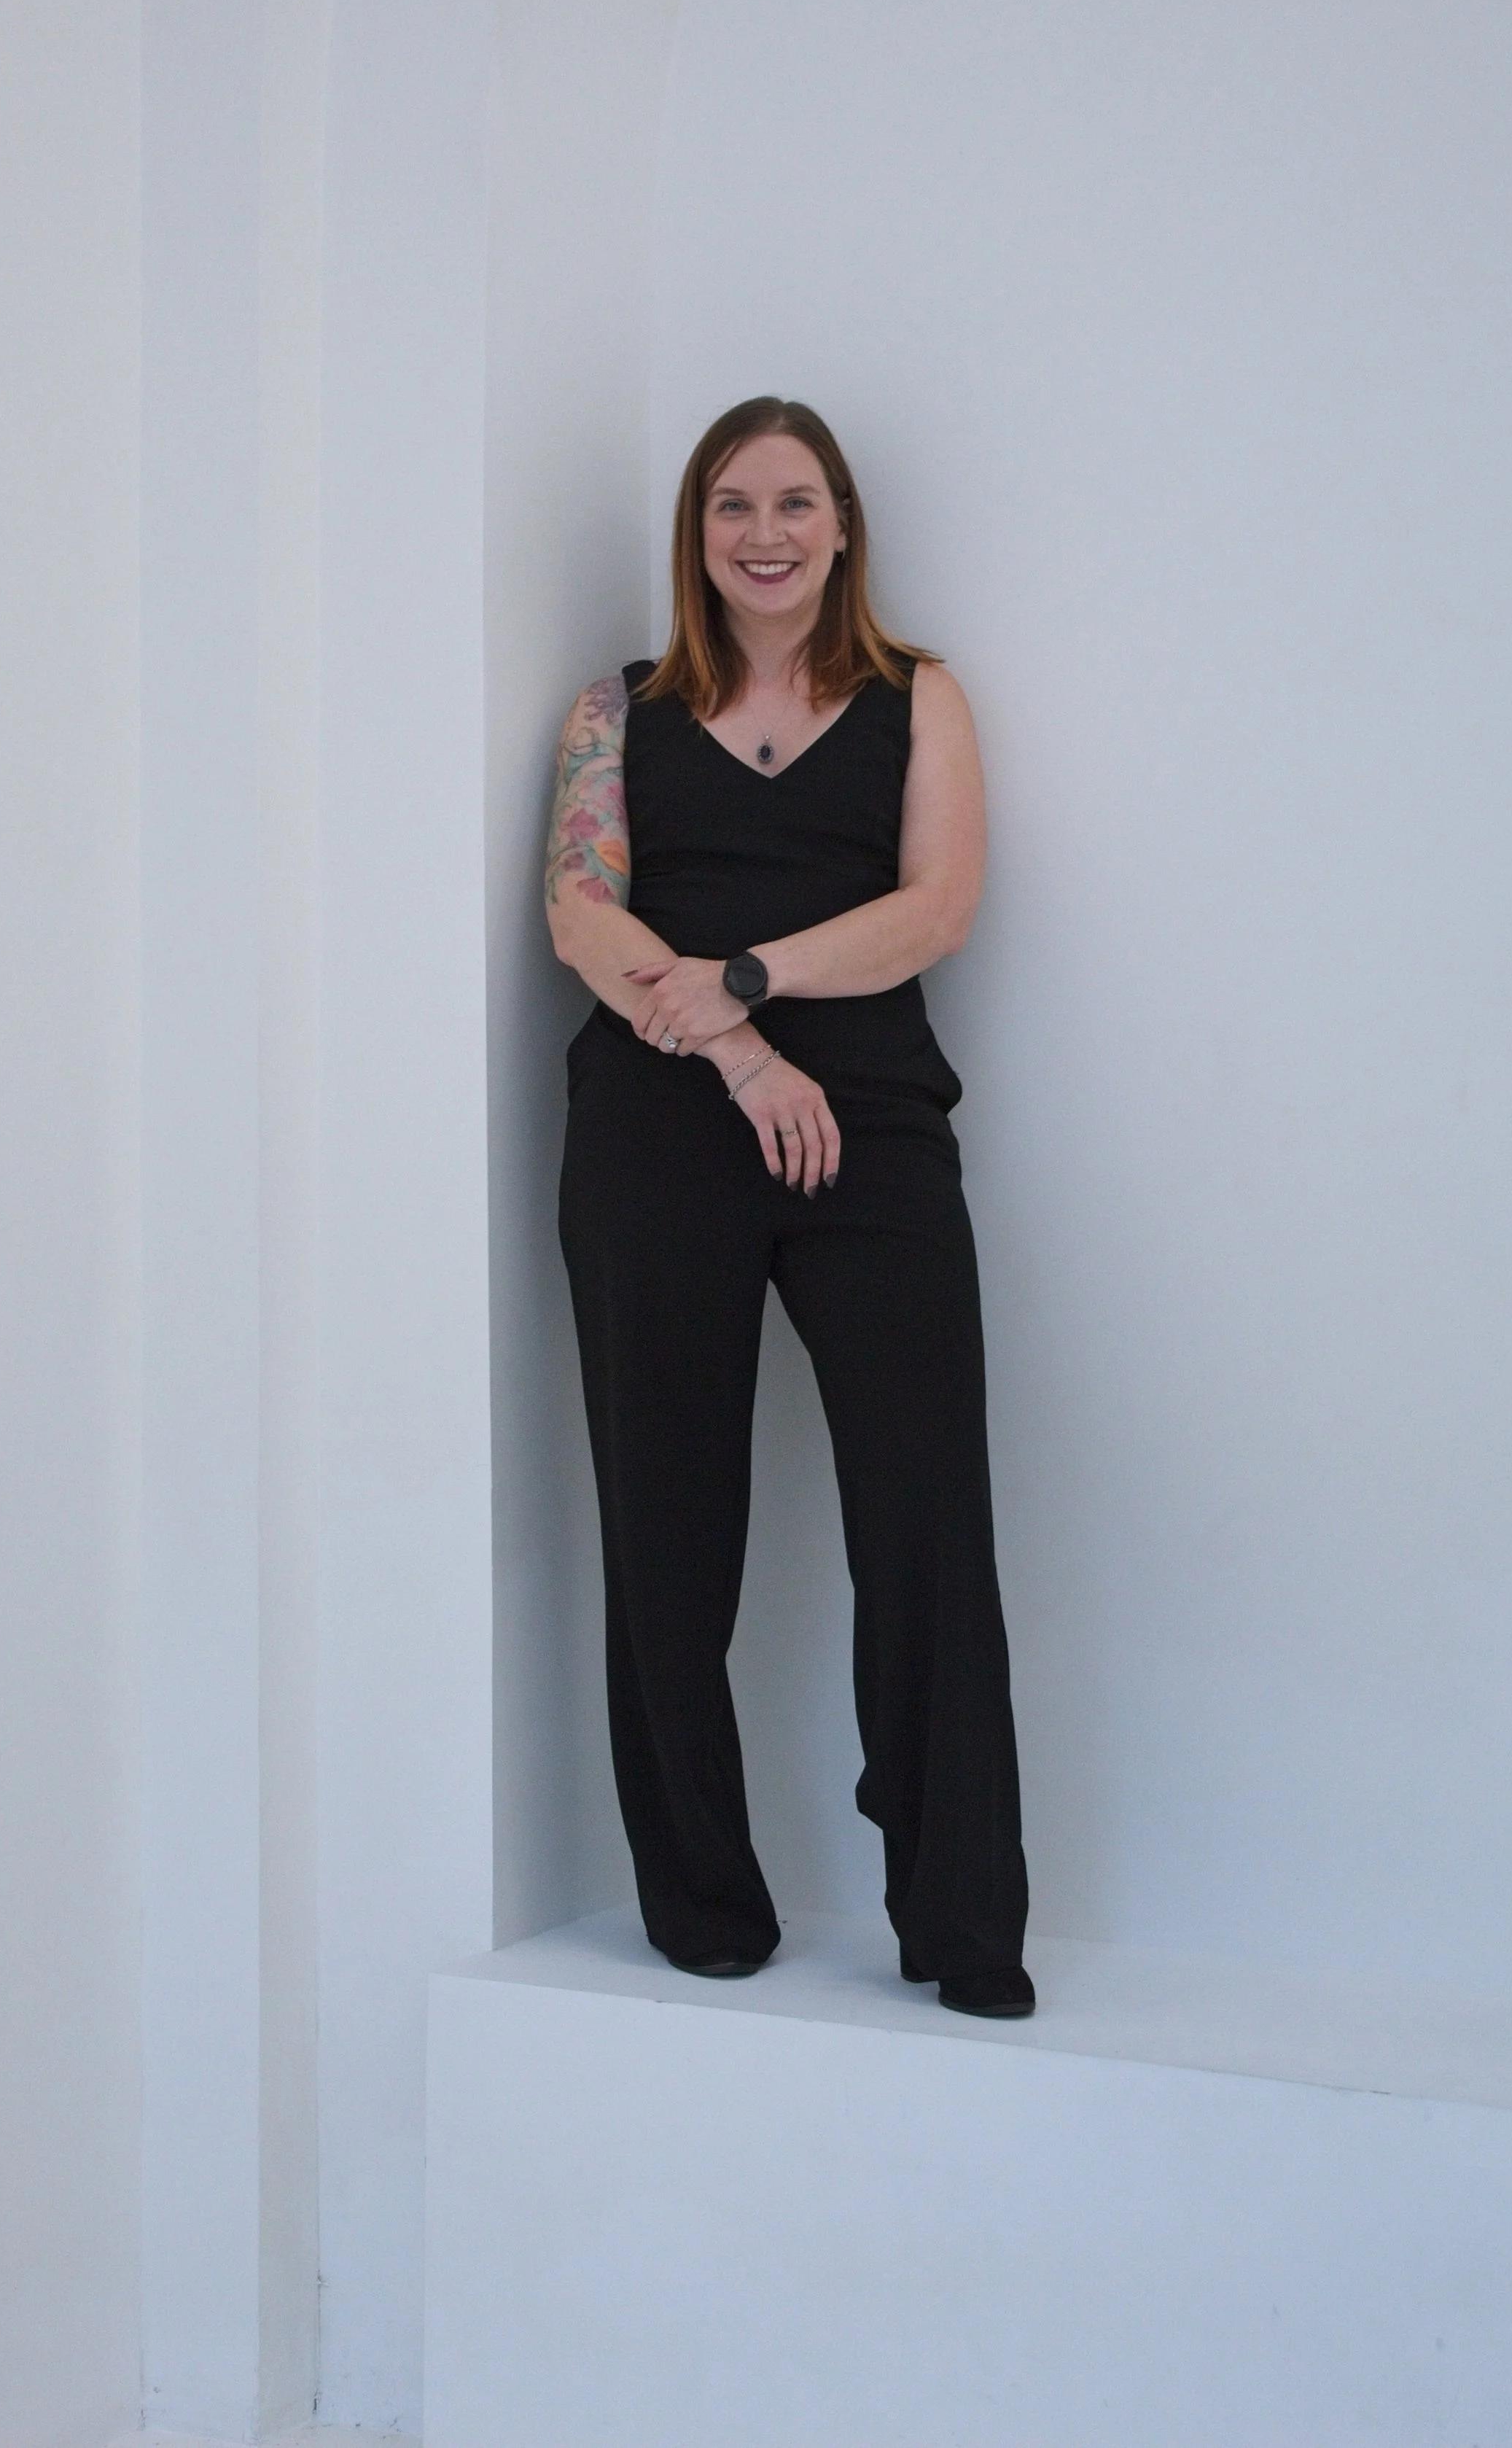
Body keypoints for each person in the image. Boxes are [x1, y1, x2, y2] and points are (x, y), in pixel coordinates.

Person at [547, 395, 1032, 2020]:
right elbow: (576, 915)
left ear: (842, 527)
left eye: (795, 503)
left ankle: (960, 1918)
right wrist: (745, 1053)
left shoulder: (919, 698)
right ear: (694, 533)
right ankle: (702, 1903)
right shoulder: (613, 713)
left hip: (873, 1138)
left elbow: (936, 907)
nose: (764, 533)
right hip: (656, 1136)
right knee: (666, 1526)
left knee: (924, 1523)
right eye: (730, 506)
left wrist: (745, 972)